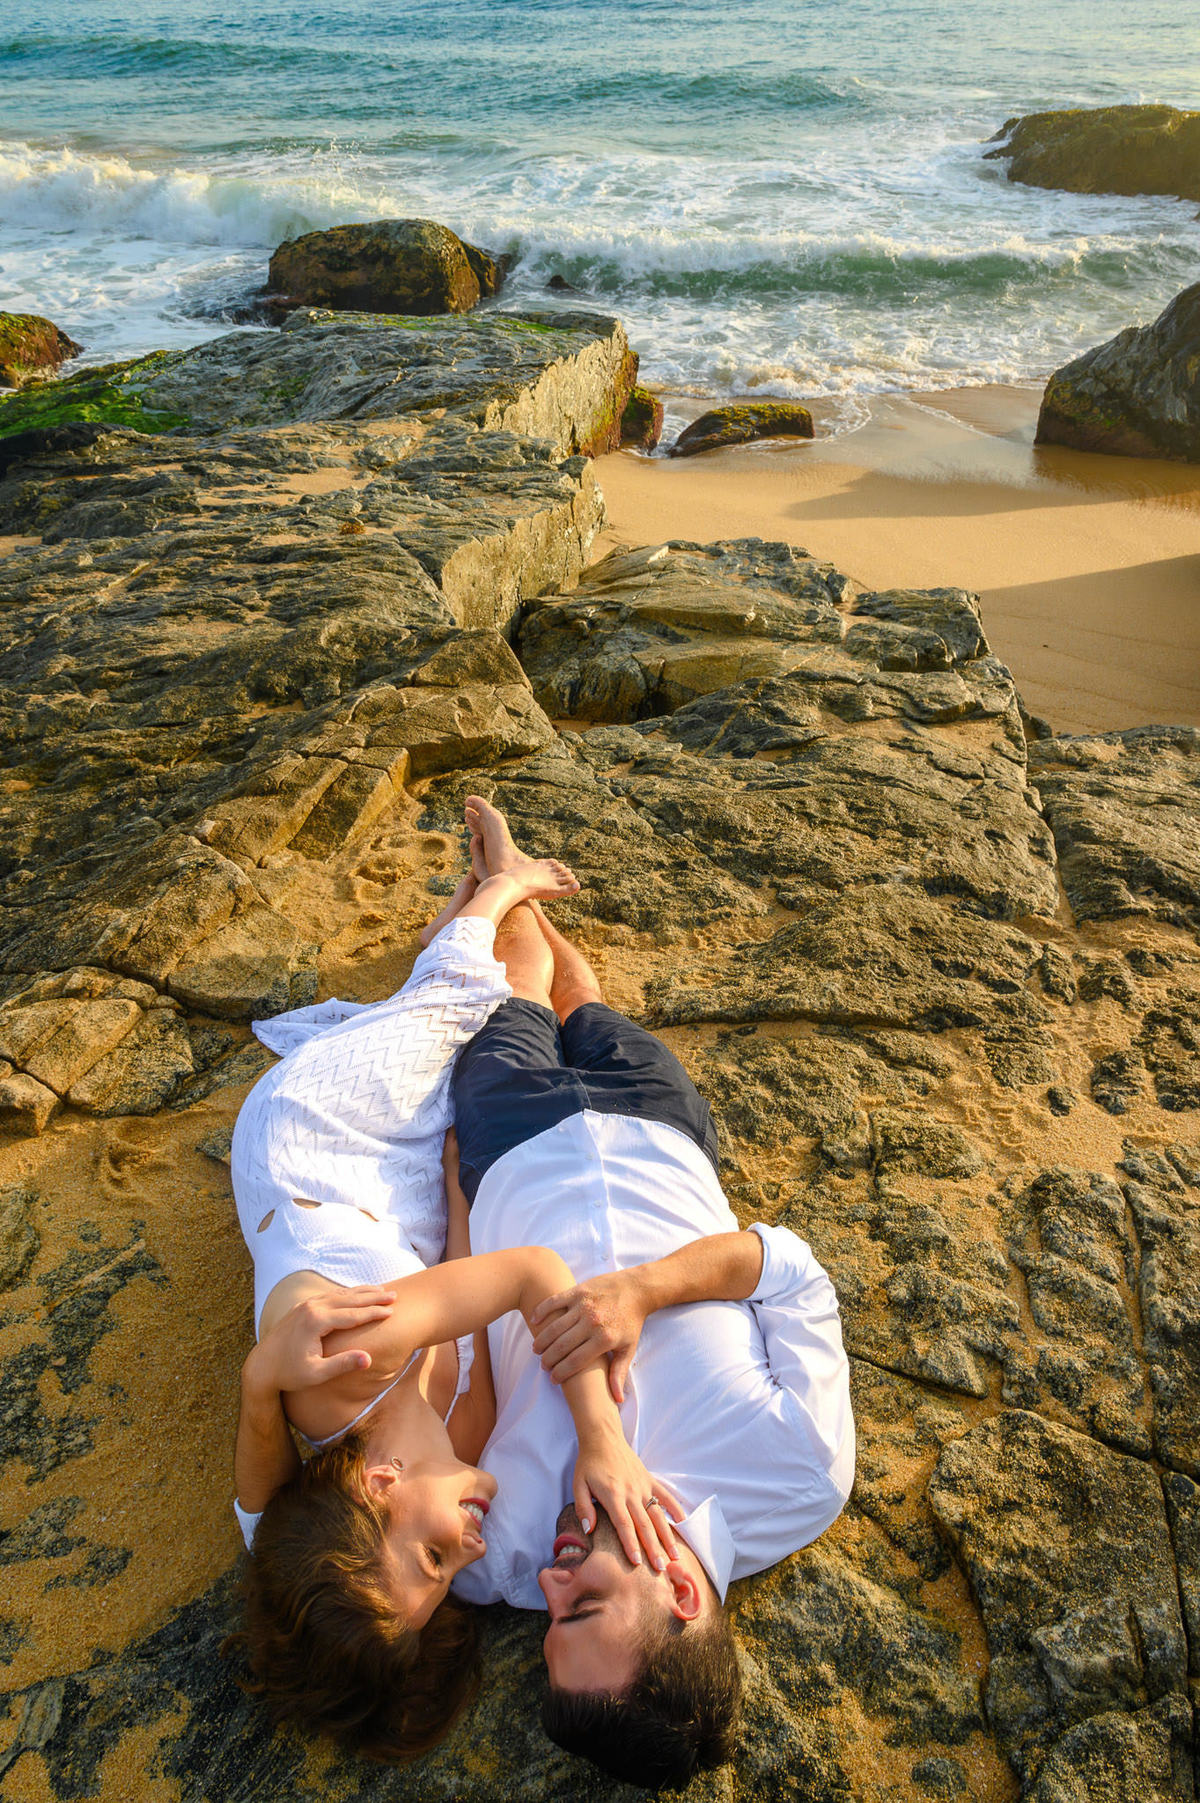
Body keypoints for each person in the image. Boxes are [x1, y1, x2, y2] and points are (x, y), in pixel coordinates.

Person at [229, 845, 677, 1763]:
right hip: (404, 1200)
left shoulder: (342, 1371)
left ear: (377, 1485)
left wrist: (603, 1437)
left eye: (434, 1557)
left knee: (479, 996)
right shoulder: (450, 1443)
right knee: (459, 1055)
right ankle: (472, 905)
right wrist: (460, 1177)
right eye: (450, 1578)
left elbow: (532, 1275)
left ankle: (508, 878)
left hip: (317, 1138)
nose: (470, 1556)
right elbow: (472, 1269)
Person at [449, 797, 855, 1793]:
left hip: (512, 1161)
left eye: (548, 1620)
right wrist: (640, 1293)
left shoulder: (492, 1553)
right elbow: (789, 1272)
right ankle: (511, 880)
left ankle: (503, 880)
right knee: (587, 1002)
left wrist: (457, 1199)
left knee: (515, 997)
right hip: (662, 1137)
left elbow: (456, 1373)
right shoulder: (801, 1475)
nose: (545, 1583)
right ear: (680, 1588)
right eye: (579, 1605)